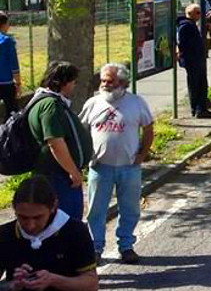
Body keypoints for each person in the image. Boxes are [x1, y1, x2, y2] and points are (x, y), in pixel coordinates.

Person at [78, 63, 152, 264]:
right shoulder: (93, 103)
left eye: (109, 81)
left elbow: (148, 128)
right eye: (102, 80)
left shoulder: (136, 103)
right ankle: (95, 248)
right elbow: (81, 130)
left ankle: (126, 246)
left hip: (129, 168)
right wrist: (85, 157)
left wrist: (142, 155)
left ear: (123, 83)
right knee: (96, 210)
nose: (104, 85)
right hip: (100, 167)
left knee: (130, 209)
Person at [0, 176, 98, 291]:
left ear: (53, 206)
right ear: (14, 208)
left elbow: (91, 284)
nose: (30, 225)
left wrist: (53, 280)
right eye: (23, 217)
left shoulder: (75, 231)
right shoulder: (5, 234)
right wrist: (12, 285)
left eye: (38, 217)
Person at [26, 62, 92, 220]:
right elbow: (55, 143)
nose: (74, 87)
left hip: (57, 175)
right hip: (58, 177)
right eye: (73, 82)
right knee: (66, 223)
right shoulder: (50, 105)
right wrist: (73, 171)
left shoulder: (46, 101)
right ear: (64, 82)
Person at [176, 4, 211, 118]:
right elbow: (183, 44)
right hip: (193, 60)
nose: (199, 15)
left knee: (201, 84)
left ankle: (202, 107)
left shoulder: (191, 25)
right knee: (196, 85)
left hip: (197, 59)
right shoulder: (186, 26)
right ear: (190, 14)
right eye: (197, 13)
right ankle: (198, 109)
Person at [0, 12, 21, 118]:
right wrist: (18, 84)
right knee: (12, 113)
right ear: (4, 24)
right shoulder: (7, 41)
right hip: (6, 83)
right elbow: (14, 65)